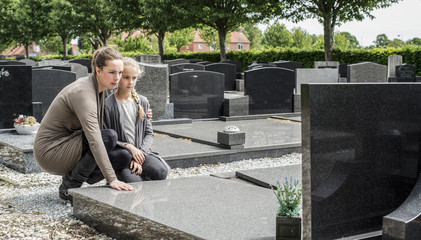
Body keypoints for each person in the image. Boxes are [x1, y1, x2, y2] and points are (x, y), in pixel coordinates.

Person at [34, 47, 134, 203]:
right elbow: (96, 138)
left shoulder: (101, 89)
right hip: (51, 152)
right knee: (109, 137)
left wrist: (129, 145)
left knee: (123, 155)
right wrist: (112, 179)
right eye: (112, 72)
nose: (117, 78)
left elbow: (100, 132)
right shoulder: (83, 92)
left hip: (71, 143)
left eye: (120, 73)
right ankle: (69, 186)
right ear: (98, 70)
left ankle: (75, 177)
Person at [104, 57, 169, 182]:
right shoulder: (108, 105)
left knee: (160, 171)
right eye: (126, 77)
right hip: (123, 154)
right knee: (134, 182)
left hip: (142, 151)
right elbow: (108, 136)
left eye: (134, 78)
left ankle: (140, 172)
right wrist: (130, 149)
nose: (131, 82)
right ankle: (120, 175)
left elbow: (149, 133)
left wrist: (140, 155)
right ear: (118, 77)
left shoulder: (142, 102)